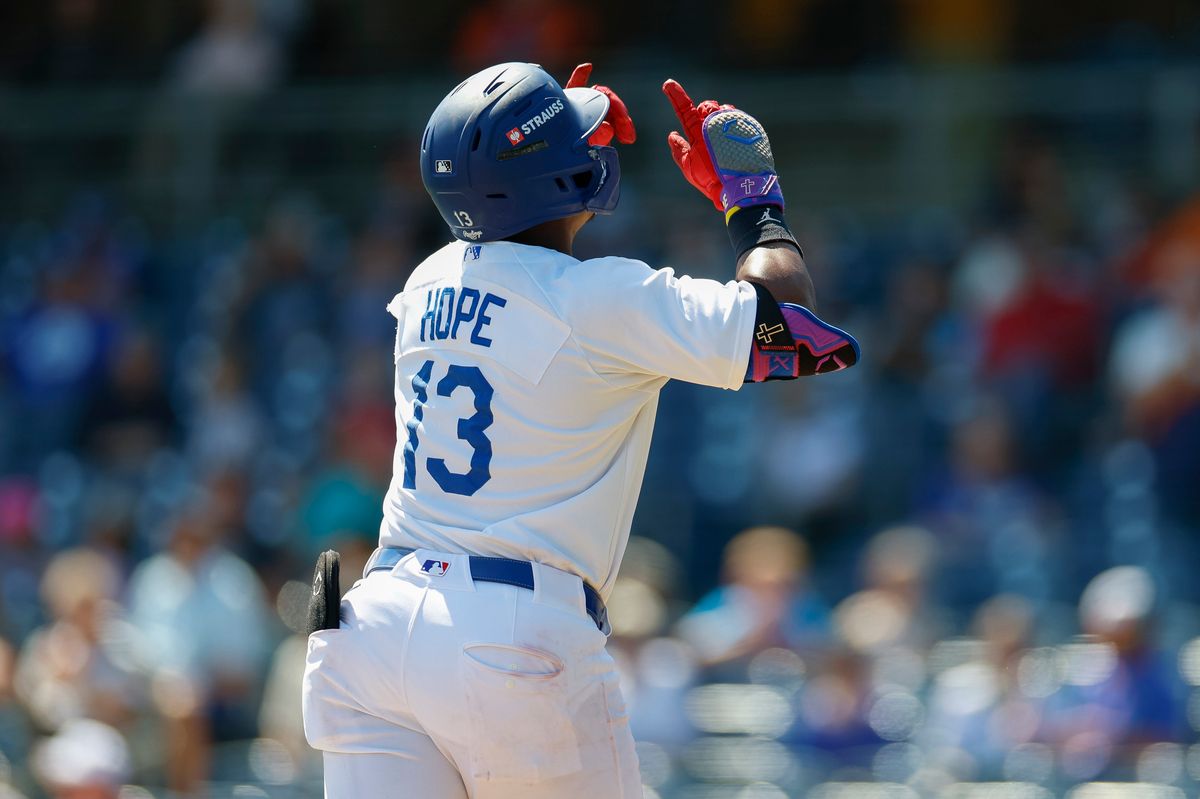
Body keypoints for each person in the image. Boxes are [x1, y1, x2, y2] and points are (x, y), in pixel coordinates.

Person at [302, 60, 859, 797]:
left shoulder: (428, 280)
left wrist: (540, 137)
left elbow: (517, 232)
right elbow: (793, 328)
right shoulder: (602, 299)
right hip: (510, 633)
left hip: (372, 627)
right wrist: (750, 200)